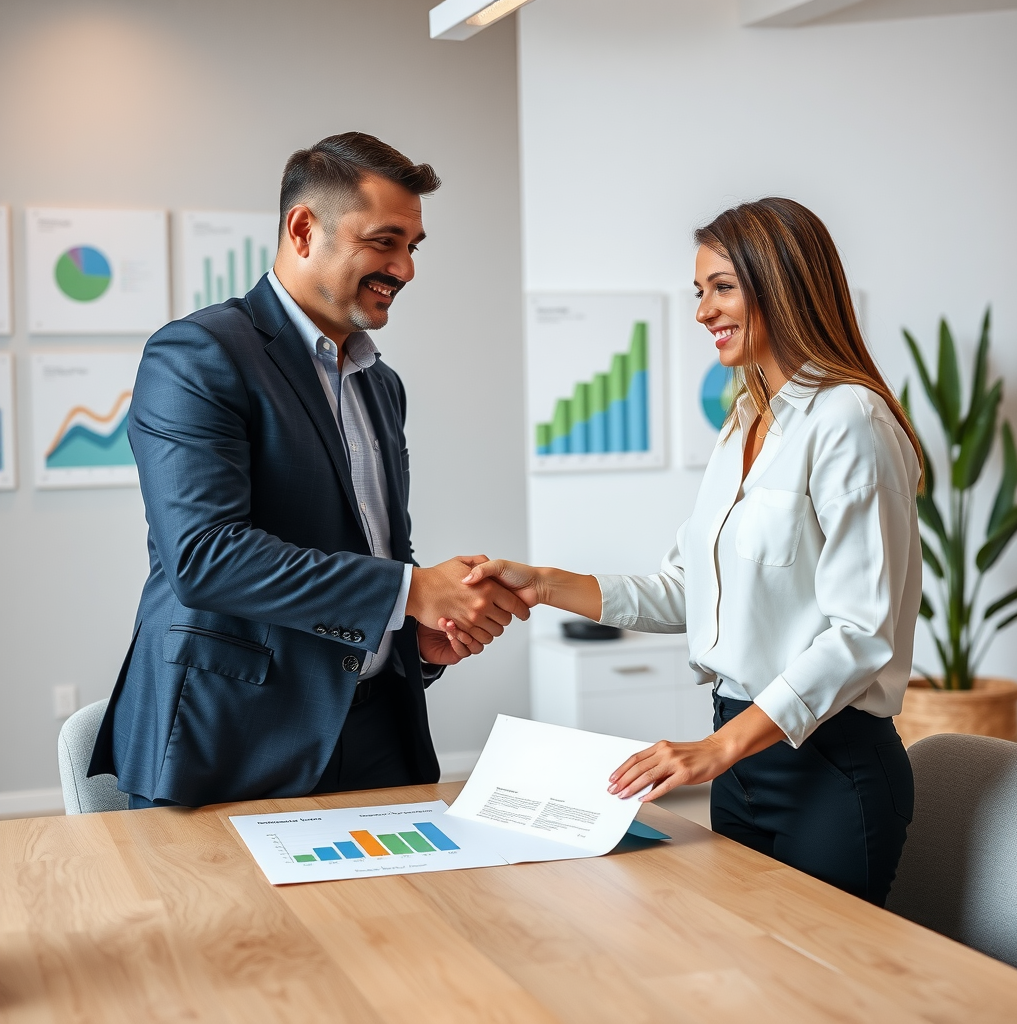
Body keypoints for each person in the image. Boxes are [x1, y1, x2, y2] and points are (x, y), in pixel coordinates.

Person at [461, 198, 921, 906]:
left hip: (828, 766)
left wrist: (717, 749)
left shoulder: (849, 420)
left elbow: (861, 634)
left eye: (722, 288)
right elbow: (685, 592)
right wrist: (545, 582)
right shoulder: (743, 425)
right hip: (738, 762)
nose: (703, 311)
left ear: (785, 284)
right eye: (699, 292)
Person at [89, 133, 528, 808]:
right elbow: (206, 557)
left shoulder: (382, 385)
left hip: (379, 731)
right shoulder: (199, 355)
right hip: (235, 737)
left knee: (398, 917)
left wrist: (415, 636)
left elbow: (379, 552)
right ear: (302, 230)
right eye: (385, 242)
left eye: (413, 247)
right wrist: (411, 591)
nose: (405, 268)